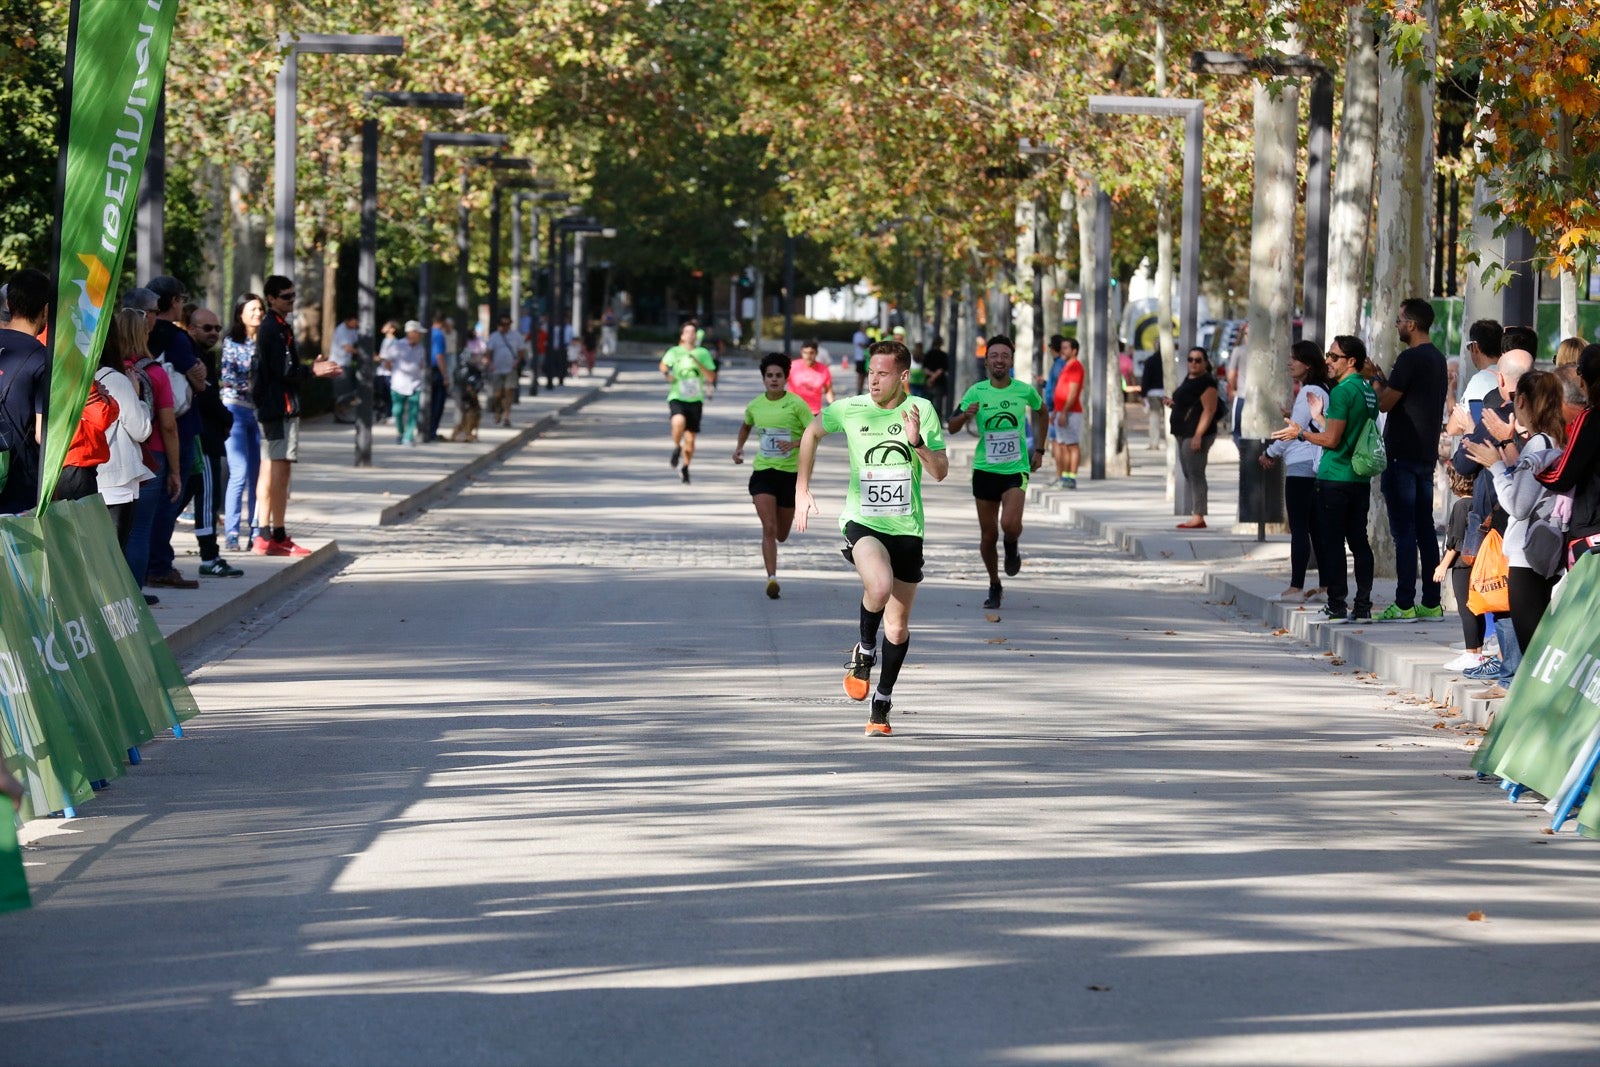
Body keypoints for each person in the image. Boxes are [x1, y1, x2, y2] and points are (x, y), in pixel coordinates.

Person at [796, 339, 949, 736]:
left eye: (882, 374)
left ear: (903, 376)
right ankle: (864, 650)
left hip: (907, 530)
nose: (874, 381)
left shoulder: (922, 411)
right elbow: (810, 434)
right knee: (877, 585)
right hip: (862, 522)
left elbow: (941, 471)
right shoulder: (850, 408)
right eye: (870, 373)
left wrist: (917, 443)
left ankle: (882, 702)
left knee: (897, 629)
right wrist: (802, 488)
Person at [1461, 370, 1568, 699]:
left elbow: (1517, 505)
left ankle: (1533, 708)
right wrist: (1507, 448)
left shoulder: (1538, 443)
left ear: (1522, 401)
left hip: (1526, 556)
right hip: (1546, 552)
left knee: (1532, 644)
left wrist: (1494, 465)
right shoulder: (1554, 440)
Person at [1275, 335, 1378, 623]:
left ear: (1351, 361)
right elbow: (1346, 431)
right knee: (1359, 541)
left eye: (1334, 357)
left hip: (1335, 475)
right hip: (1358, 477)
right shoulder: (1367, 390)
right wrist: (1320, 418)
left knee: (1332, 542)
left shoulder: (1344, 391)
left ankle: (1336, 605)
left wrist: (1301, 433)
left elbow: (1332, 440)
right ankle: (1362, 605)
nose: (1328, 361)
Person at [948, 334, 1046, 610]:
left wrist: (1039, 450)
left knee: (1009, 526)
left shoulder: (1024, 390)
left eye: (1004, 355)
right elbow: (952, 426)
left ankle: (1012, 543)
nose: (999, 360)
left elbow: (1043, 412)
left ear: (1011, 360)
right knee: (988, 536)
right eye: (994, 356)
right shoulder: (975, 392)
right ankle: (994, 584)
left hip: (1015, 468)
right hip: (984, 470)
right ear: (987, 361)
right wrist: (966, 415)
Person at [251, 274, 340, 555]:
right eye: (287, 297)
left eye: (293, 296)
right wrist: (312, 371)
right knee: (278, 468)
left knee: (274, 467)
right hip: (278, 408)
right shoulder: (273, 328)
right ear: (272, 298)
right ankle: (271, 534)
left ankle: (268, 532)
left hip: (278, 406)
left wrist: (308, 369)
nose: (292, 301)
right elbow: (283, 370)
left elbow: (284, 368)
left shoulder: (278, 327)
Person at [1372, 297, 1449, 621]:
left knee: (1404, 532)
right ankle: (1431, 601)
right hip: (1425, 453)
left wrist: (1375, 381)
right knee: (1425, 529)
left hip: (1402, 454)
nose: (1396, 324)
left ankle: (1404, 602)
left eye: (1400, 320)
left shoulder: (1409, 358)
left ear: (1412, 325)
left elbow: (1385, 403)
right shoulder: (1438, 358)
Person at [733, 353, 814, 599]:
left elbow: (815, 432)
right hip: (763, 473)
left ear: (786, 378)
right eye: (770, 376)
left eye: (778, 375)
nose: (774, 380)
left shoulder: (796, 405)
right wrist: (739, 448)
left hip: (789, 475)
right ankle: (772, 578)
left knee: (781, 533)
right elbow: (746, 425)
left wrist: (795, 443)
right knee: (768, 527)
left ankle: (773, 566)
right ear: (764, 378)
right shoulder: (755, 405)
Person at [1261, 341, 1331, 600]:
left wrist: (1269, 453)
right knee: (1316, 528)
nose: (1290, 363)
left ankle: (1296, 587)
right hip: (1317, 465)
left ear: (1309, 365)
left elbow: (1294, 430)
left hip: (1301, 467)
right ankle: (1325, 586)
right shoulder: (1323, 388)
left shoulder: (1309, 391)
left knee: (1300, 527)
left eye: (1295, 359)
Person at [184, 306, 242, 577]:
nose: (214, 333)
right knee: (207, 497)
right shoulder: (193, 357)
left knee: (197, 495)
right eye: (207, 328)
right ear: (191, 329)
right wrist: (226, 417)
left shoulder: (204, 355)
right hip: (202, 439)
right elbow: (206, 399)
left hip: (208, 436)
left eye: (217, 328)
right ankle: (209, 556)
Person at [93, 309, 154, 546]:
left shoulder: (70, 378)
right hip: (115, 481)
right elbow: (141, 429)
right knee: (114, 560)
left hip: (79, 478)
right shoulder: (115, 380)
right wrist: (138, 397)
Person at [1537, 344, 1600, 566]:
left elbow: (1562, 477)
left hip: (1590, 532)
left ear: (1582, 380)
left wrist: (1532, 467)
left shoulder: (1589, 419)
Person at [0, 268, 52, 515]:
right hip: (18, 485)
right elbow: (43, 434)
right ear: (46, 310)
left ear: (8, 303)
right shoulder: (42, 360)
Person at [220, 293, 263, 549]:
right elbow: (229, 379)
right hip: (236, 409)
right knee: (240, 472)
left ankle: (257, 529)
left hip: (260, 414)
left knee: (259, 476)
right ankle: (232, 532)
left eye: (260, 309)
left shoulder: (268, 341)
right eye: (253, 309)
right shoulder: (231, 342)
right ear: (240, 313)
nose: (258, 313)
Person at [1435, 468, 1488, 672]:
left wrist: (1442, 565)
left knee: (1466, 610)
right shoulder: (1481, 504)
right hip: (1478, 563)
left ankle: (1471, 653)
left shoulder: (1460, 506)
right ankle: (1479, 652)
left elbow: (1455, 543)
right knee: (1477, 610)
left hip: (1462, 566)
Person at [1168, 347, 1220, 529]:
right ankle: (1196, 514)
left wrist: (1198, 435)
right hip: (1183, 433)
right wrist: (1173, 404)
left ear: (1206, 362)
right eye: (1190, 359)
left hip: (1196, 435)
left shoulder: (1207, 382)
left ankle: (1198, 516)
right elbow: (1188, 403)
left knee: (1196, 474)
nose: (1193, 363)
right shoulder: (1190, 378)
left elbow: (1209, 409)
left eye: (1198, 360)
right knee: (1188, 472)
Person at [659, 320, 717, 484]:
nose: (690, 335)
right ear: (682, 335)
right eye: (687, 332)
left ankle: (685, 466)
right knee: (678, 421)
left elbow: (711, 377)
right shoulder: (674, 351)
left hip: (695, 399)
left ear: (696, 335)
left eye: (693, 332)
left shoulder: (703, 353)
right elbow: (663, 365)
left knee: (690, 441)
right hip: (677, 395)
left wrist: (698, 362)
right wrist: (667, 374)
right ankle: (677, 446)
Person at [382, 321, 428, 446]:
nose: (420, 336)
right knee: (397, 411)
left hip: (415, 384)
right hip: (398, 384)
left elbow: (422, 364)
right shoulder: (397, 345)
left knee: (413, 412)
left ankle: (408, 437)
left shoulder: (421, 348)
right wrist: (394, 372)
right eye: (418, 333)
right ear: (411, 333)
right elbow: (387, 362)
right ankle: (401, 432)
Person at [1051, 336, 1086, 489]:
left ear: (1074, 351)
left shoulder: (1075, 367)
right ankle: (1064, 477)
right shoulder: (1066, 366)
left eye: (1066, 348)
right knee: (1063, 445)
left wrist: (1064, 412)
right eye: (1062, 348)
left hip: (1071, 412)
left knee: (1072, 445)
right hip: (1061, 412)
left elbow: (1072, 393)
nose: (1062, 350)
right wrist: (1056, 412)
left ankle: (1071, 478)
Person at [486, 316, 520, 426]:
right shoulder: (494, 336)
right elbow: (489, 351)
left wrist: (517, 361)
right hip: (497, 369)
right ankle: (497, 411)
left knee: (508, 391)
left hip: (511, 368)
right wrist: (490, 363)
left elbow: (522, 350)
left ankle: (506, 416)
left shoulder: (516, 336)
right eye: (502, 325)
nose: (504, 327)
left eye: (506, 325)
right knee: (497, 394)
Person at [787, 339, 835, 416]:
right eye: (805, 353)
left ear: (816, 353)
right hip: (793, 411)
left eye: (811, 353)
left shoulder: (824, 369)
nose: (808, 356)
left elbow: (828, 390)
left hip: (813, 413)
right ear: (801, 353)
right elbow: (780, 384)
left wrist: (833, 407)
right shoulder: (792, 366)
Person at [1140, 348, 1167, 449]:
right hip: (1166, 392)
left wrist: (1143, 394)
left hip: (1153, 393)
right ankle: (1170, 442)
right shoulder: (1170, 361)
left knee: (1154, 418)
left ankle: (1154, 443)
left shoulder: (1150, 361)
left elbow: (1145, 378)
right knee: (1168, 418)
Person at [922, 334, 950, 419]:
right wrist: (934, 376)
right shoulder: (943, 355)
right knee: (938, 405)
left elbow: (924, 368)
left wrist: (931, 377)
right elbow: (942, 369)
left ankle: (928, 421)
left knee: (928, 404)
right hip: (939, 382)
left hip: (928, 382)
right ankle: (938, 422)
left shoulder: (928, 354)